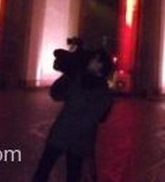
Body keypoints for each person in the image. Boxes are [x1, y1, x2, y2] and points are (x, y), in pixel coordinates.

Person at [32, 48, 114, 182]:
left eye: (94, 59)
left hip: (78, 140)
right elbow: (56, 94)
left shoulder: (103, 94)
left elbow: (92, 119)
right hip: (61, 134)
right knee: (42, 171)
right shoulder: (78, 79)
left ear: (101, 65)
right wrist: (68, 74)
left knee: (73, 175)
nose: (90, 61)